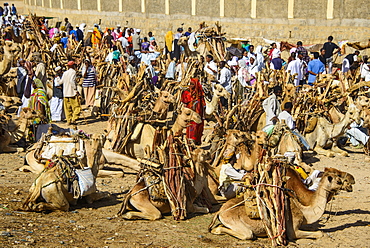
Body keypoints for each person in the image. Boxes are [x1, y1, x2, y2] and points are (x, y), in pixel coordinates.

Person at [181, 78, 205, 145]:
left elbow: (203, 103)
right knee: (191, 125)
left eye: (192, 84)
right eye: (190, 84)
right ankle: (190, 140)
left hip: (199, 112)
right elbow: (184, 103)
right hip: (190, 113)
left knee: (198, 125)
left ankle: (197, 140)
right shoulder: (187, 92)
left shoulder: (200, 93)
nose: (191, 85)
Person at [60, 61, 80, 125]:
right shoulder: (73, 72)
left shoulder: (65, 73)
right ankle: (74, 119)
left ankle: (69, 120)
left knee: (67, 108)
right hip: (72, 92)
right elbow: (72, 81)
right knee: (76, 107)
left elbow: (61, 82)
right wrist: (75, 89)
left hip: (65, 92)